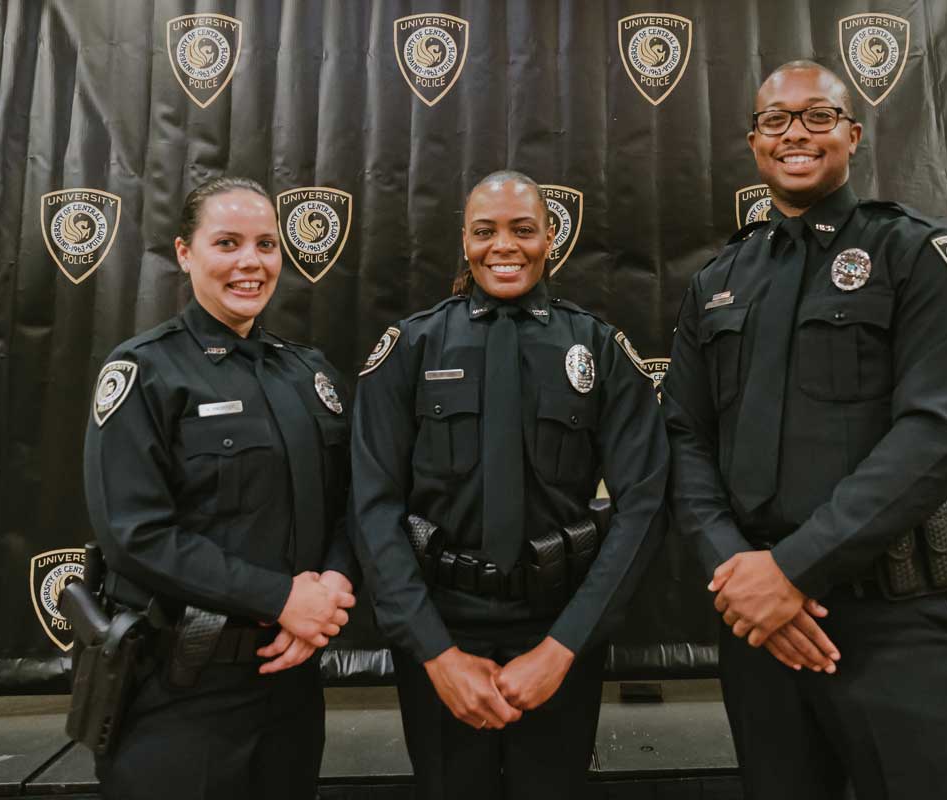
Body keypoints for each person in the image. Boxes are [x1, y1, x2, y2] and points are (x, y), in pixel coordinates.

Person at [661, 61, 947, 799]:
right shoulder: (719, 280)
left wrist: (792, 572)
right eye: (775, 120)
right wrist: (742, 576)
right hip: (759, 631)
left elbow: (938, 435)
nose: (795, 134)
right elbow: (683, 439)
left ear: (853, 132)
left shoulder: (915, 256)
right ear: (754, 142)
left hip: (899, 627)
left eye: (817, 116)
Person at [350, 170, 668, 798]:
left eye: (523, 230)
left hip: (557, 629)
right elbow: (371, 507)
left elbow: (644, 505)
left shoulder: (597, 348)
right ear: (464, 241)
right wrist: (435, 655)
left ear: (551, 238)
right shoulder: (412, 347)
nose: (505, 246)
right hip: (442, 629)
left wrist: (564, 648)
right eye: (485, 231)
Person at [83, 176, 356, 799]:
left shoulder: (308, 372)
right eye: (227, 242)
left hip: (290, 683)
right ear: (185, 253)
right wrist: (280, 597)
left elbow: (354, 505)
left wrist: (334, 585)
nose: (250, 263)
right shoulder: (145, 370)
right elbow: (135, 534)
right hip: (181, 690)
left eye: (265, 244)